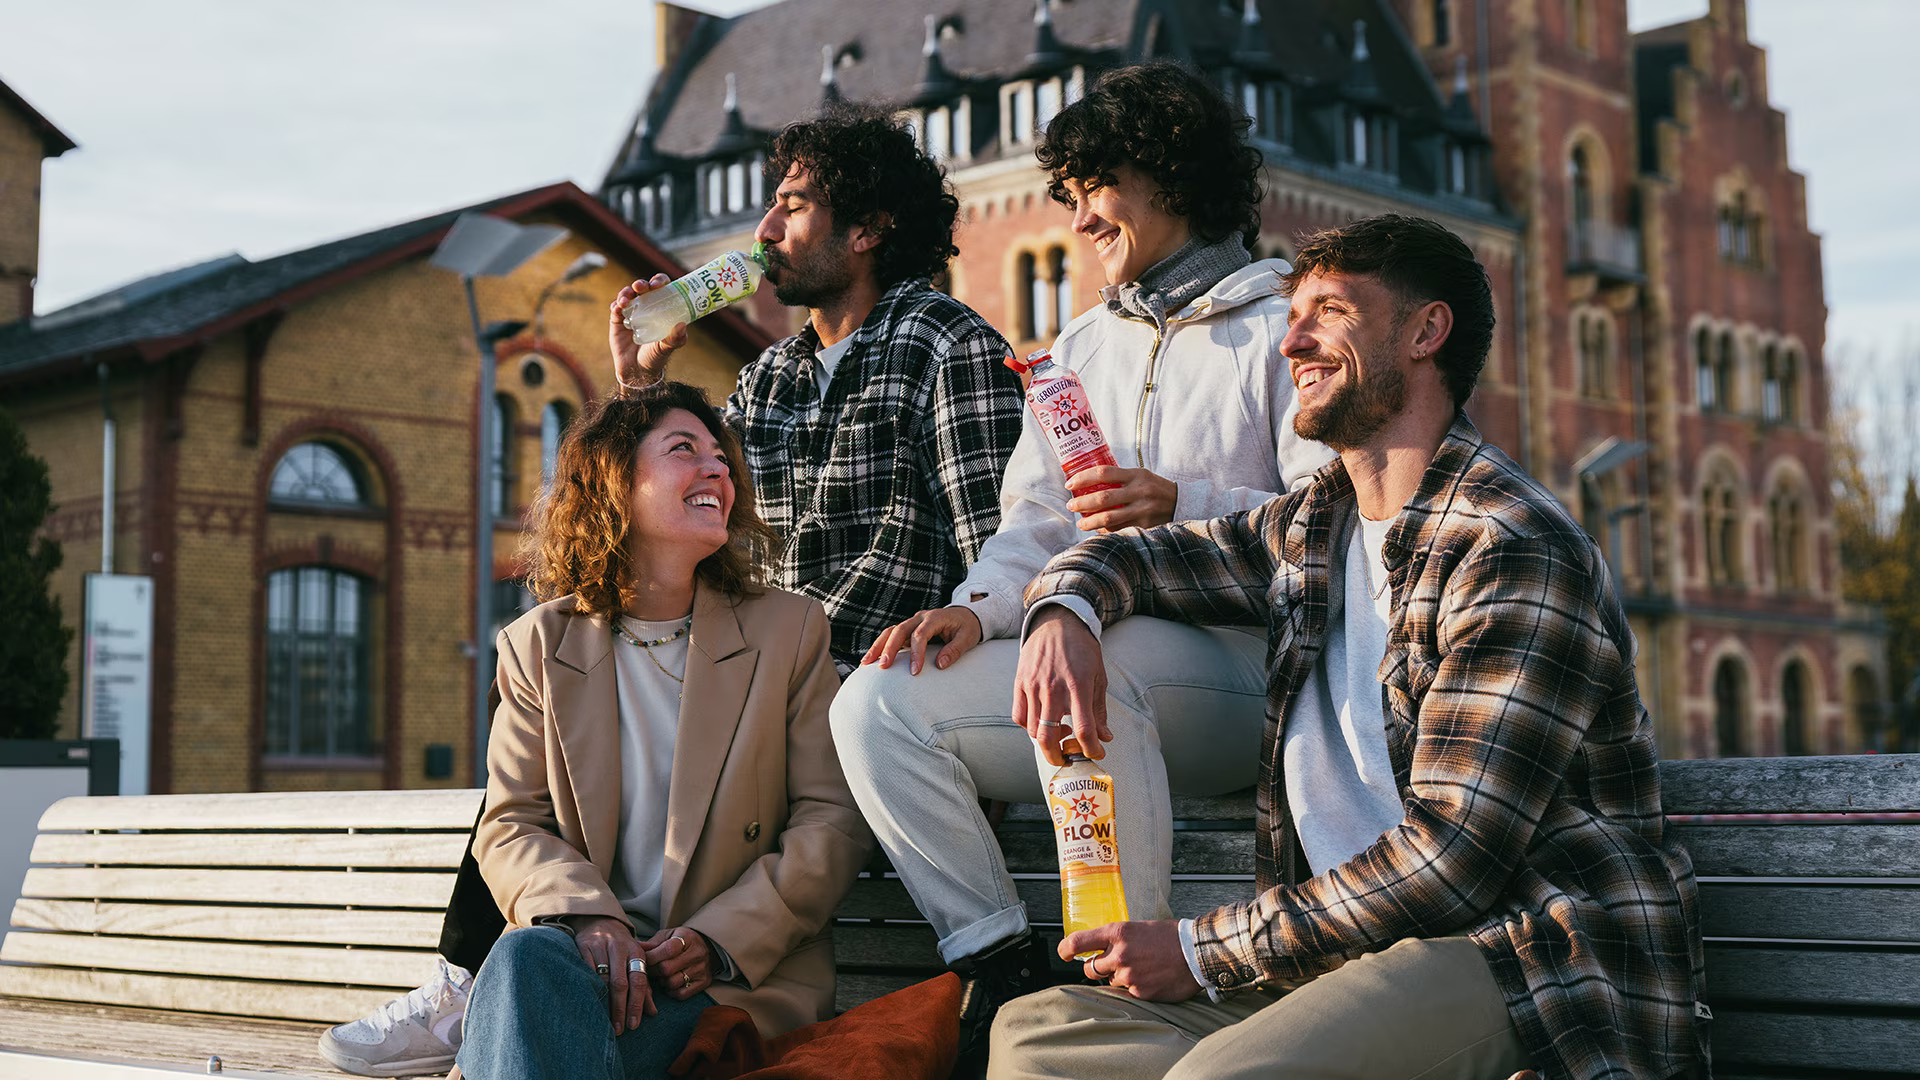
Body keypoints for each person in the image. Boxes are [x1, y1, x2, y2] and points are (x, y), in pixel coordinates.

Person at [318, 105, 1020, 1076]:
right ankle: (484, 974)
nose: (765, 232)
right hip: (729, 665)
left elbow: (998, 545)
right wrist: (637, 384)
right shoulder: (770, 376)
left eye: (793, 208)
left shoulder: (948, 345)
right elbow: (665, 511)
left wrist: (953, 637)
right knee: (567, 672)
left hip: (867, 688)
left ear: (866, 230)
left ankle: (473, 981)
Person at [990, 214, 1708, 1080]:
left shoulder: (1510, 545)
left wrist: (1201, 947)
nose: (1292, 339)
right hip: (1336, 957)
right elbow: (1135, 555)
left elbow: (1451, 860)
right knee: (1040, 1041)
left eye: (1327, 309)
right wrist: (1064, 608)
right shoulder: (1315, 524)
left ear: (1423, 332)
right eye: (1293, 312)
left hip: (1518, 958)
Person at [824, 59, 1333, 1057]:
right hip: (1092, 663)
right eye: (1067, 189)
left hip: (1251, 681)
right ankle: (999, 963)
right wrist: (978, 609)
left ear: (1172, 179)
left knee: (1104, 664)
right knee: (876, 703)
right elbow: (1036, 523)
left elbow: (1336, 522)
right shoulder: (1083, 346)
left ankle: (1121, 989)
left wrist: (1183, 506)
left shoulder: (1284, 324)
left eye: (1097, 181)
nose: (1076, 211)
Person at [450, 382, 868, 1080]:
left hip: (722, 989)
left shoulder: (788, 631)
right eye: (685, 451)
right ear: (613, 483)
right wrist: (590, 918)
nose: (718, 472)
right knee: (528, 958)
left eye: (722, 460)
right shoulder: (536, 646)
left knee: (529, 1010)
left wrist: (716, 937)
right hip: (585, 971)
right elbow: (511, 823)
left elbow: (831, 819)